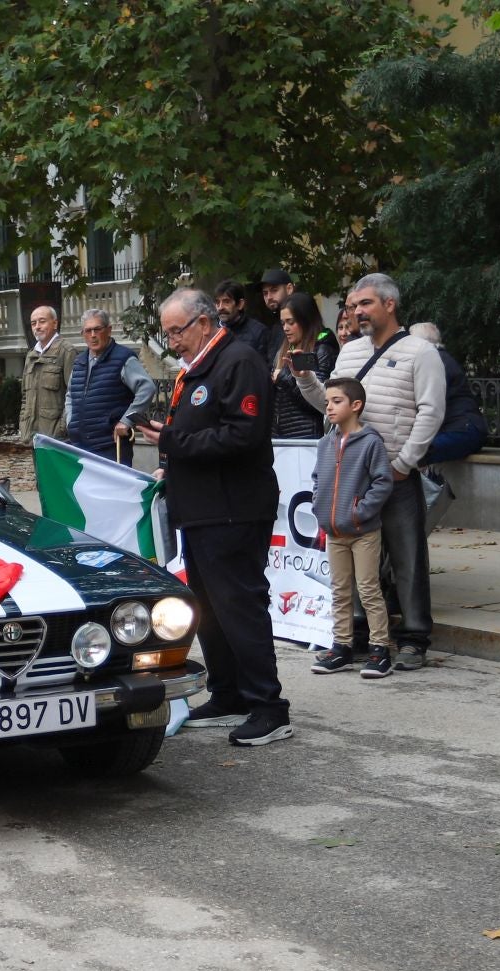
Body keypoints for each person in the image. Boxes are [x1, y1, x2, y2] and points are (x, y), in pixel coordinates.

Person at [133, 288, 289, 747]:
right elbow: (199, 432)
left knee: (239, 606)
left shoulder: (239, 362)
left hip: (233, 510)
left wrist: (174, 442)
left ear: (204, 323)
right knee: (211, 612)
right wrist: (172, 445)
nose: (173, 342)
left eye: (176, 331)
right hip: (201, 511)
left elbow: (243, 435)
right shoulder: (199, 367)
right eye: (167, 334)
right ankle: (229, 693)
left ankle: (269, 706)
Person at [295, 272, 445, 670]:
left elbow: (431, 412)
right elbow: (332, 405)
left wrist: (403, 463)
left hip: (395, 474)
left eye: (365, 304)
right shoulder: (349, 353)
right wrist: (306, 380)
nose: (356, 311)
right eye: (353, 305)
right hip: (352, 479)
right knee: (356, 564)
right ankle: (357, 636)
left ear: (389, 304)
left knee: (406, 556)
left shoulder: (420, 352)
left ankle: (413, 637)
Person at [307, 376, 396, 678]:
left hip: (362, 532)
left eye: (336, 401)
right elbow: (318, 479)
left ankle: (380, 648)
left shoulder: (370, 442)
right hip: (334, 532)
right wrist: (321, 510)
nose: (329, 407)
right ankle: (342, 646)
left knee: (369, 589)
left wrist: (359, 513)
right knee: (340, 590)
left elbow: (383, 482)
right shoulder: (325, 443)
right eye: (328, 401)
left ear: (356, 406)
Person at [64, 308, 155, 465]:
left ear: (109, 330)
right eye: (88, 331)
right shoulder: (79, 361)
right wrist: (71, 421)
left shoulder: (123, 358)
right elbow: (70, 395)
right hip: (80, 446)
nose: (93, 335)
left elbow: (147, 388)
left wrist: (126, 421)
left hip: (111, 446)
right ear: (82, 334)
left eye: (97, 329)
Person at [407, 322, 489, 465]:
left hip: (463, 431)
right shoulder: (439, 358)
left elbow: (428, 405)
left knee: (414, 454)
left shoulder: (435, 361)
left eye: (410, 341)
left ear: (420, 342)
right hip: (461, 429)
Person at [270, 292, 338, 440]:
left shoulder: (321, 350)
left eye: (291, 322)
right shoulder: (285, 347)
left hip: (307, 438)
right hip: (281, 439)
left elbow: (319, 403)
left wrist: (282, 378)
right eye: (283, 323)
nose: (285, 328)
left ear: (306, 320)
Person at [16, 304, 70, 443]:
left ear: (55, 323)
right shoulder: (31, 355)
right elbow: (25, 397)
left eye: (42, 321)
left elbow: (74, 395)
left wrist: (62, 428)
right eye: (34, 323)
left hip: (57, 437)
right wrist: (23, 423)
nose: (37, 326)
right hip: (34, 435)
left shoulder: (66, 351)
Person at [214, 280, 268, 358]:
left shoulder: (258, 332)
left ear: (240, 304)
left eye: (226, 302)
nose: (220, 307)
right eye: (217, 302)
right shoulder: (211, 332)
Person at [259, 269, 295, 361]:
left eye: (274, 290)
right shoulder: (273, 325)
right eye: (265, 293)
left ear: (289, 289)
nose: (269, 297)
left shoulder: (303, 318)